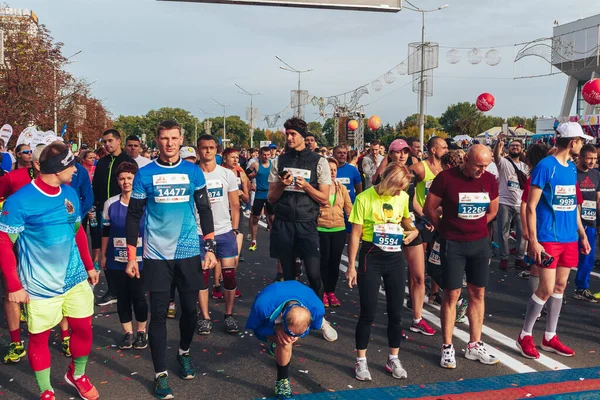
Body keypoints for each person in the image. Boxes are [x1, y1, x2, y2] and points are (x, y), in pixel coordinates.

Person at [125, 120, 217, 399]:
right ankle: (160, 374)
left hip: (188, 252)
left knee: (190, 311)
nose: (169, 143)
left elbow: (204, 208)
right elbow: (133, 215)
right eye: (164, 138)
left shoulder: (192, 172)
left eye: (174, 138)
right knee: (159, 315)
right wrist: (132, 256)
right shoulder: (145, 174)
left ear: (181, 139)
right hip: (156, 256)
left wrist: (210, 247)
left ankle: (183, 353)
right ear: (157, 140)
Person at [0, 142, 100, 400]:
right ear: (58, 169)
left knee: (84, 329)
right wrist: (14, 285)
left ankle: (77, 374)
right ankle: (46, 390)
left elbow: (76, 229)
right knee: (39, 337)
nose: (75, 171)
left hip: (75, 279)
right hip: (40, 285)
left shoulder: (69, 193)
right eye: (71, 166)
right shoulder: (20, 201)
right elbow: (3, 243)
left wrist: (89, 265)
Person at [517, 122, 592, 360]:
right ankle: (525, 334)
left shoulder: (570, 168)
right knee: (546, 288)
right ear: (572, 143)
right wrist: (534, 240)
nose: (582, 144)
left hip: (569, 237)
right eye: (580, 140)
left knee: (559, 288)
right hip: (549, 237)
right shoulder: (545, 166)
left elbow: (572, 207)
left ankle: (550, 336)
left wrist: (581, 234)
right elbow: (530, 205)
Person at [424, 144, 500, 369]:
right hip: (452, 244)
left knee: (478, 293)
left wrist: (474, 226)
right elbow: (429, 208)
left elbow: (493, 211)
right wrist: (446, 229)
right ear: (465, 159)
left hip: (479, 244)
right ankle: (447, 346)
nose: (482, 170)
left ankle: (474, 345)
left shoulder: (489, 180)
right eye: (478, 165)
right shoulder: (445, 178)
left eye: (486, 166)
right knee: (452, 294)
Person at [346, 162, 419, 381]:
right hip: (371, 255)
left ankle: (393, 358)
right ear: (386, 180)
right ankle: (361, 361)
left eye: (403, 188)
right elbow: (355, 234)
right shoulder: (365, 198)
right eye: (397, 187)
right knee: (368, 312)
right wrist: (351, 266)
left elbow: (407, 221)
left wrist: (413, 232)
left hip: (395, 255)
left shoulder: (402, 198)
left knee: (396, 313)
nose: (399, 192)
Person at [267, 117, 337, 342]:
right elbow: (271, 198)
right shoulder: (280, 161)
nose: (288, 138)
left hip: (307, 224)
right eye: (286, 134)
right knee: (289, 276)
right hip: (284, 223)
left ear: (303, 136)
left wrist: (306, 186)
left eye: (293, 134)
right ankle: (291, 318)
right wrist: (282, 184)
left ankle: (320, 318)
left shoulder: (319, 161)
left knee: (314, 274)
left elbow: (325, 198)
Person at [0, 144, 45, 364]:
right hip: (15, 243)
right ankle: (16, 343)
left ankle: (62, 336)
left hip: (43, 246)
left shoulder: (61, 182)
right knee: (11, 289)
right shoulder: (14, 178)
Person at [246, 281, 325, 400]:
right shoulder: (262, 306)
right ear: (281, 318)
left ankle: (282, 379)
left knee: (286, 341)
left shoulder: (317, 308)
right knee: (284, 341)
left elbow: (314, 326)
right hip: (273, 296)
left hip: (300, 294)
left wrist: (294, 336)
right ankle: (282, 380)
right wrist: (276, 331)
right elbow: (256, 328)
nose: (294, 338)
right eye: (290, 332)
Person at [196, 135, 242, 335]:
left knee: (229, 275)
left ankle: (229, 315)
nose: (207, 151)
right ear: (198, 150)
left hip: (224, 231)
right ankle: (205, 317)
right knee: (203, 277)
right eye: (204, 148)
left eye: (211, 148)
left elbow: (235, 204)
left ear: (217, 150)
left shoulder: (227, 174)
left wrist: (234, 228)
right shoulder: (193, 174)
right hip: (200, 232)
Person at [100, 162, 148, 350]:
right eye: (122, 179)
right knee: (123, 298)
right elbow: (105, 231)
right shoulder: (110, 203)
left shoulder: (146, 203)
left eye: (129, 178)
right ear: (117, 181)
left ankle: (141, 332)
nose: (126, 182)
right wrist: (102, 255)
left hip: (140, 259)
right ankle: (128, 333)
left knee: (139, 296)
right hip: (116, 259)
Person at [93, 129, 134, 307]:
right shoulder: (102, 162)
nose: (107, 144)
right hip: (104, 209)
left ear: (119, 141)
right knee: (107, 249)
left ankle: (131, 286)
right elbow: (95, 186)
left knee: (129, 248)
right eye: (105, 142)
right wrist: (94, 205)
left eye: (110, 141)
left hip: (125, 210)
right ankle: (113, 290)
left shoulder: (128, 162)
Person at [411, 137, 448, 306]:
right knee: (418, 260)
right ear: (433, 150)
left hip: (440, 218)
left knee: (437, 258)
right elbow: (407, 191)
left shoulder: (445, 169)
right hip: (422, 219)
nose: (446, 150)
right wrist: (422, 214)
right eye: (444, 147)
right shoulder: (420, 168)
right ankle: (413, 294)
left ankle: (434, 292)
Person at [318, 158, 352, 307]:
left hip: (339, 228)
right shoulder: (318, 187)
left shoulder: (341, 188)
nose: (332, 172)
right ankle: (322, 292)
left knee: (334, 262)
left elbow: (349, 208)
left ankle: (331, 291)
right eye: (329, 169)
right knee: (323, 262)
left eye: (334, 170)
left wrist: (357, 226)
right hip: (321, 228)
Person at [493, 135, 528, 270]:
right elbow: (496, 156)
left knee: (522, 232)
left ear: (521, 149)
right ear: (508, 148)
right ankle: (504, 258)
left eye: (517, 146)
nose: (515, 147)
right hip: (504, 202)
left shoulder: (525, 166)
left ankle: (519, 258)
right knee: (503, 232)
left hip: (521, 203)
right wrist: (499, 144)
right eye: (513, 146)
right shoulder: (503, 162)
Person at [573, 144, 600, 302]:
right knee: (565, 257)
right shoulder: (572, 173)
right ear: (581, 157)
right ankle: (555, 290)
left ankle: (582, 288)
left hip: (590, 222)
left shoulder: (596, 175)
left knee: (587, 256)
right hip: (571, 222)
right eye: (589, 158)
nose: (592, 161)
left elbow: (598, 200)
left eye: (595, 158)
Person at [248, 147, 274, 251]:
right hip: (259, 194)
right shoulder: (255, 164)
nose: (266, 157)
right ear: (260, 154)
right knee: (256, 218)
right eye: (264, 155)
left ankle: (274, 241)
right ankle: (253, 241)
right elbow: (245, 175)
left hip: (270, 194)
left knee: (272, 219)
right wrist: (250, 183)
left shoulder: (273, 164)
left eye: (268, 155)